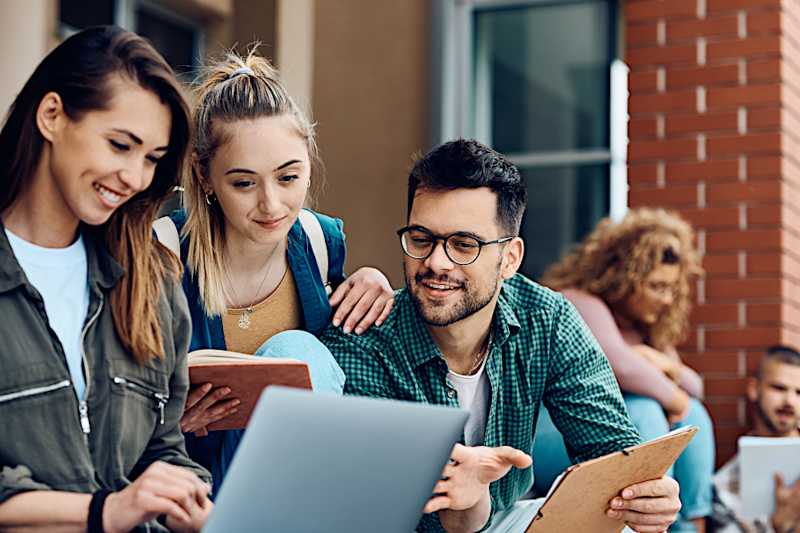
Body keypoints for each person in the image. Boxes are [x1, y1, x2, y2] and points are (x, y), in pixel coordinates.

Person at [321, 139, 681, 533]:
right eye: (422, 239)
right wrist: (469, 501)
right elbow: (383, 513)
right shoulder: (364, 340)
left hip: (508, 518)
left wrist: (646, 496)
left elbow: (611, 452)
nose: (436, 262)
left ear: (509, 258)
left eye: (464, 245)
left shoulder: (548, 318)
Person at [0, 26, 211, 532]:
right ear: (52, 115)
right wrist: (105, 512)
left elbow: (162, 451)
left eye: (152, 159)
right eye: (120, 145)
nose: (136, 179)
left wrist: (189, 505)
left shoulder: (151, 280)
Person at [166, 50, 395, 494]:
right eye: (244, 183)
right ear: (205, 175)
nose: (271, 205)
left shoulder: (318, 241)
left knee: (298, 349)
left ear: (309, 158)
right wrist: (165, 423)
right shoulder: (163, 254)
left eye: (288, 177)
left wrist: (376, 284)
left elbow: (337, 369)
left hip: (303, 482)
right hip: (195, 491)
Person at [539, 208, 715, 532]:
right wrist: (669, 392)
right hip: (557, 436)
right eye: (656, 286)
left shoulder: (644, 329)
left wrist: (657, 360)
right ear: (623, 276)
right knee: (646, 410)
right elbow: (618, 365)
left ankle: (692, 524)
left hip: (613, 443)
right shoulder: (579, 302)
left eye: (672, 290)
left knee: (696, 416)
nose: (666, 299)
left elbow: (694, 387)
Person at [711, 345, 800, 533]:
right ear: (754, 389)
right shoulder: (725, 485)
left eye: (799, 393)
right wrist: (779, 528)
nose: (790, 401)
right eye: (778, 388)